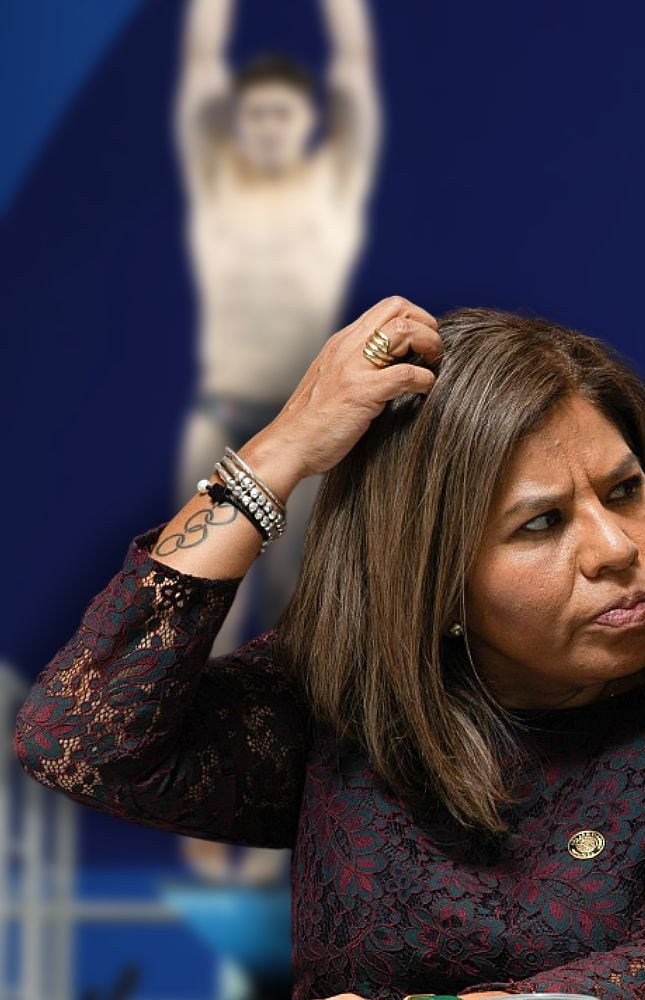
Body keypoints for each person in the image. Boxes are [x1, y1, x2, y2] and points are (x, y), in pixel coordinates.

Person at [15, 298, 645, 998]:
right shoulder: (346, 704)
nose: (614, 548)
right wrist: (280, 454)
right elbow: (81, 740)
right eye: (542, 522)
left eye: (625, 490)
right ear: (438, 584)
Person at [173, 0, 383, 886]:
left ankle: (302, 832)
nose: (266, 127)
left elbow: (357, 77)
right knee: (190, 619)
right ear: (236, 124)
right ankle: (194, 827)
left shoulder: (332, 185)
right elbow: (197, 67)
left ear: (308, 126)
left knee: (317, 629)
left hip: (317, 437)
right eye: (252, 114)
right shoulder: (215, 184)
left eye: (283, 115)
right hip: (223, 427)